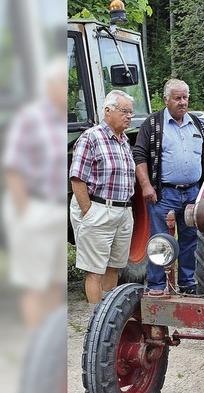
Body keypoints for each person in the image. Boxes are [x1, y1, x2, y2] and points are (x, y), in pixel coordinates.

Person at [3, 58, 67, 327]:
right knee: (34, 285)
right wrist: (25, 213)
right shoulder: (31, 118)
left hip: (55, 210)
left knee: (53, 283)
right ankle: (35, 345)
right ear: (49, 86)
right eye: (63, 83)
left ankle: (48, 341)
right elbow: (13, 168)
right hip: (35, 209)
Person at [133, 79, 204, 293]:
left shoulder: (197, 124)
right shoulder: (152, 124)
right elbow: (139, 155)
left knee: (190, 241)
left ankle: (188, 284)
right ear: (166, 99)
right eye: (177, 98)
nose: (182, 102)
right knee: (160, 242)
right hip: (164, 193)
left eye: (185, 97)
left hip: (193, 193)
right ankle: (158, 286)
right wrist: (146, 186)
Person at [69, 90, 136, 304]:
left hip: (123, 212)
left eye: (130, 113)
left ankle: (106, 320)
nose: (129, 116)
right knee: (94, 270)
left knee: (114, 267)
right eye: (125, 111)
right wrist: (88, 211)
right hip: (99, 209)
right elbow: (77, 178)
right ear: (108, 111)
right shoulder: (91, 137)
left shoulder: (124, 141)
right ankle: (95, 325)